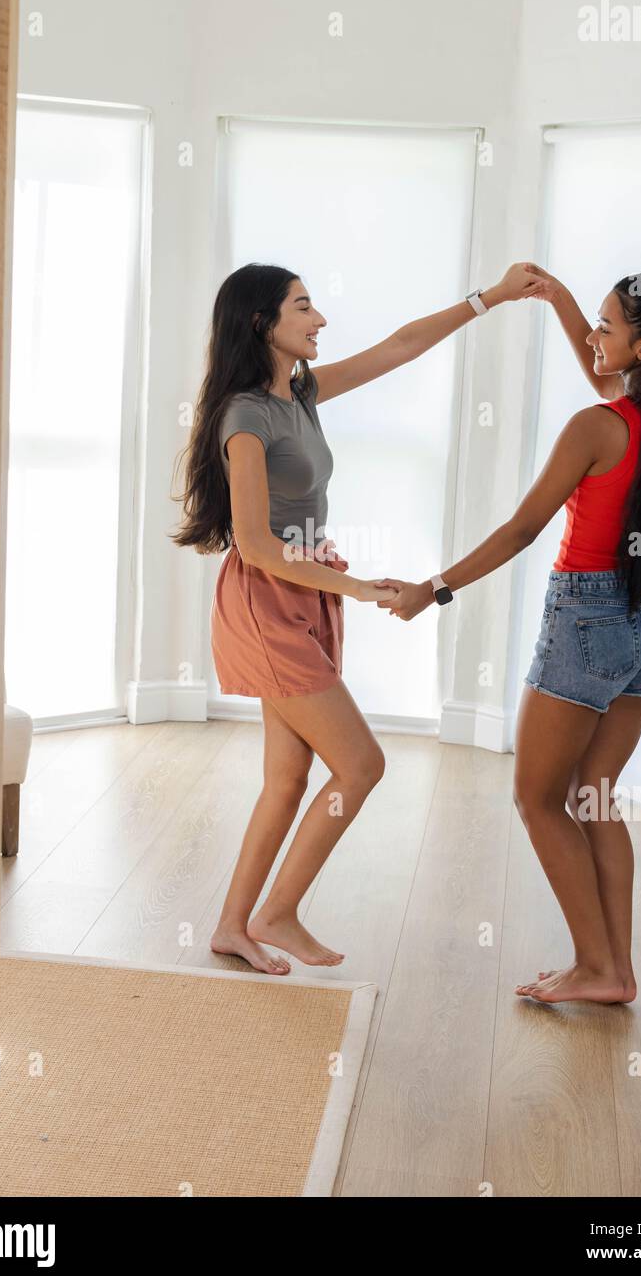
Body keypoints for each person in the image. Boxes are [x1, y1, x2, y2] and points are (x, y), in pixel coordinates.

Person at [171, 261, 537, 973]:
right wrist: (369, 590)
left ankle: (231, 927)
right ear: (261, 323)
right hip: (267, 600)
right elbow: (254, 544)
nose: (320, 320)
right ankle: (275, 913)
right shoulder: (244, 416)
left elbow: (398, 348)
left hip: (306, 592)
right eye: (303, 307)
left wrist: (487, 298)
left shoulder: (299, 395)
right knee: (361, 764)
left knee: (287, 779)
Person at [377, 263, 641, 1004]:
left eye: (606, 327)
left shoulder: (593, 427)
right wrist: (561, 303)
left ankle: (596, 966)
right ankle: (615, 972)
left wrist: (431, 590)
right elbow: (609, 380)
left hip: (585, 623)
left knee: (537, 800)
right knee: (595, 794)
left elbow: (522, 529)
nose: (593, 338)